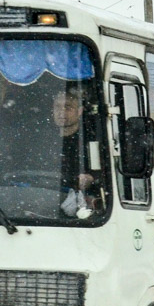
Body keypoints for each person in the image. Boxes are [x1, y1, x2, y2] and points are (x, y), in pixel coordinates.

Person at [52, 85, 100, 215]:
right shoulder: (43, 140)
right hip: (44, 199)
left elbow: (102, 174)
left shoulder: (92, 140)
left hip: (77, 209)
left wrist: (91, 178)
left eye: (68, 107)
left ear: (80, 111)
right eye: (57, 107)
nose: (61, 112)